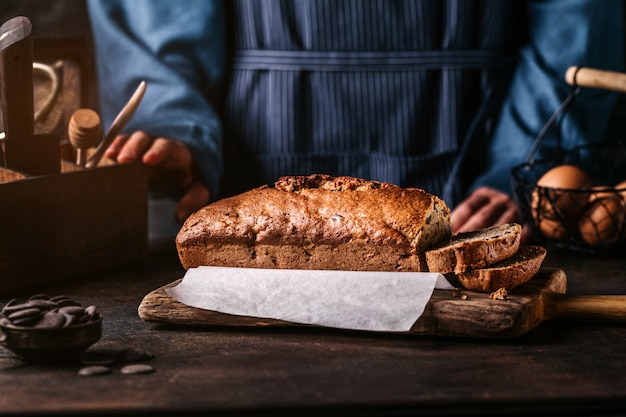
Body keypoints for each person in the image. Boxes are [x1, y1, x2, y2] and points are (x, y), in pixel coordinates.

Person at [86, 0, 624, 239]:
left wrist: (524, 161)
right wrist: (177, 127)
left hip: (478, 168)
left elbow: (576, 16)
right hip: (249, 166)